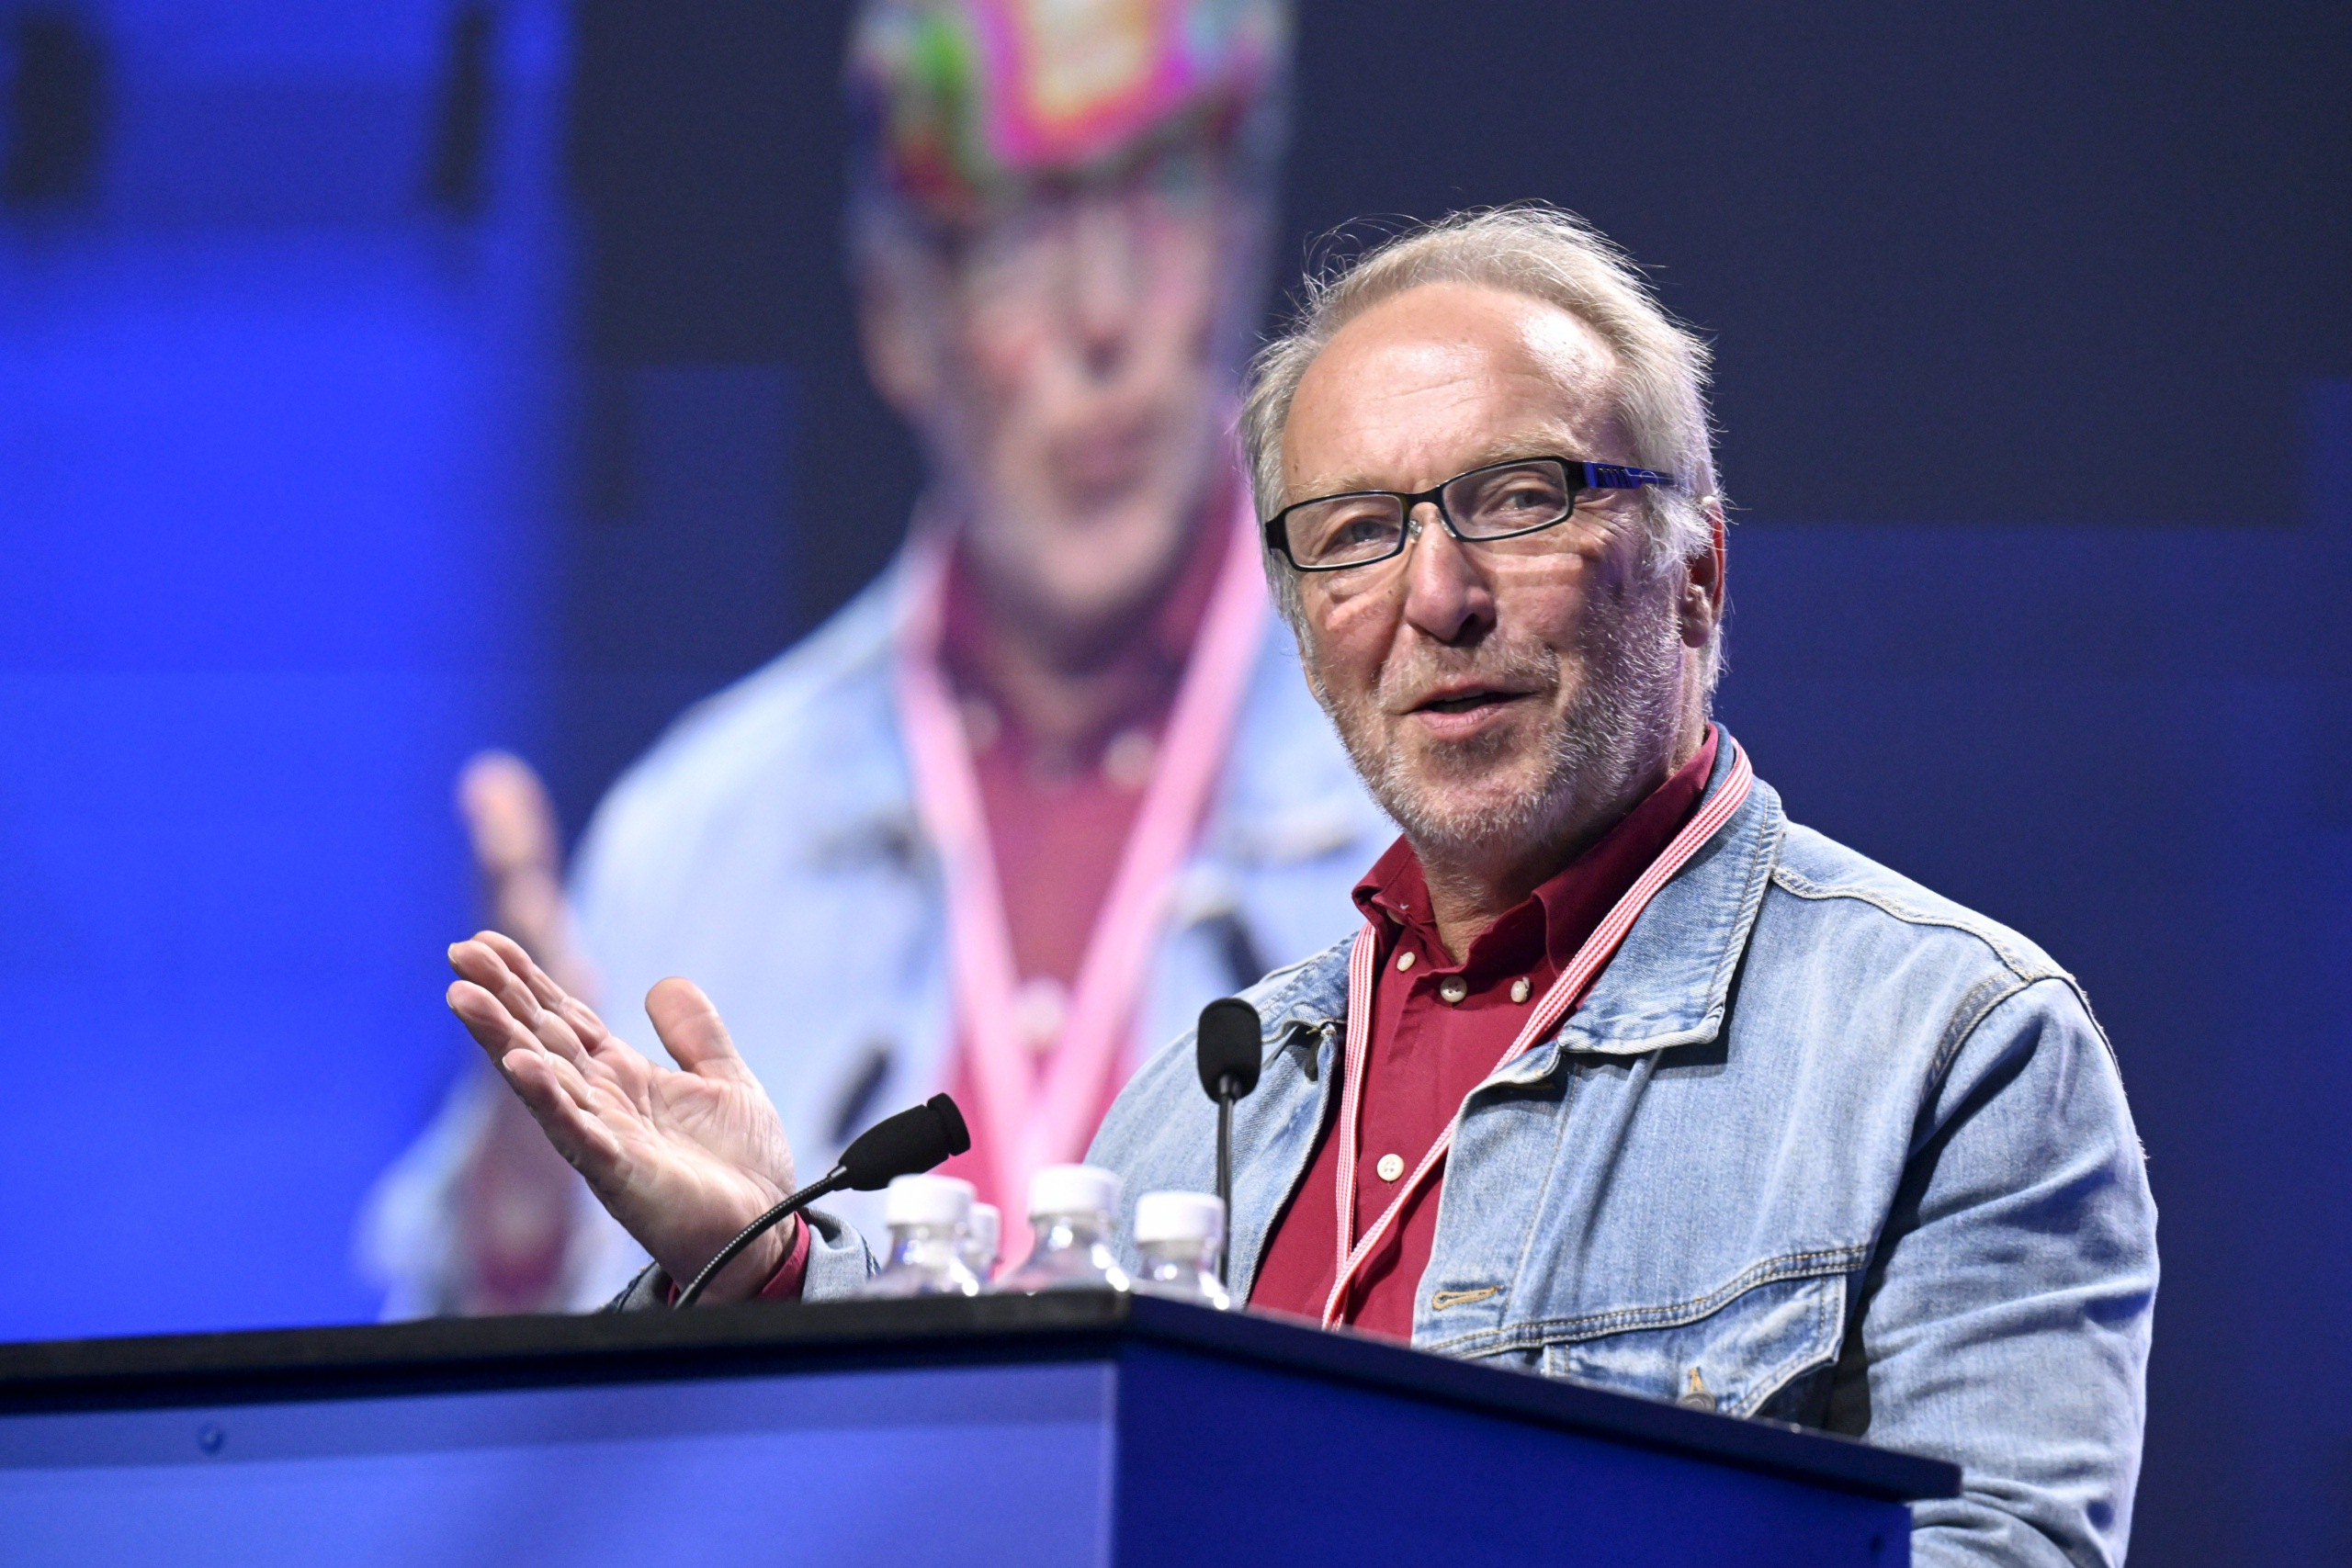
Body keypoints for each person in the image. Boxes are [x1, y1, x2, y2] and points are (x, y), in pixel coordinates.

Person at [445, 208, 2157, 1563]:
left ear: (1697, 570)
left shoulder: (1951, 1048)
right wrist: (772, 1275)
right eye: (1352, 533)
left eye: (1518, 499)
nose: (1437, 597)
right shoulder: (1207, 1105)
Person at [361, 0, 1393, 1315]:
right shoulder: (701, 841)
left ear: (1248, 241)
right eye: (1018, 236)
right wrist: (519, 1252)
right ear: (899, 314)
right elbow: (506, 1434)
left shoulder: (1422, 773)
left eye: (1163, 201)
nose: (1105, 318)